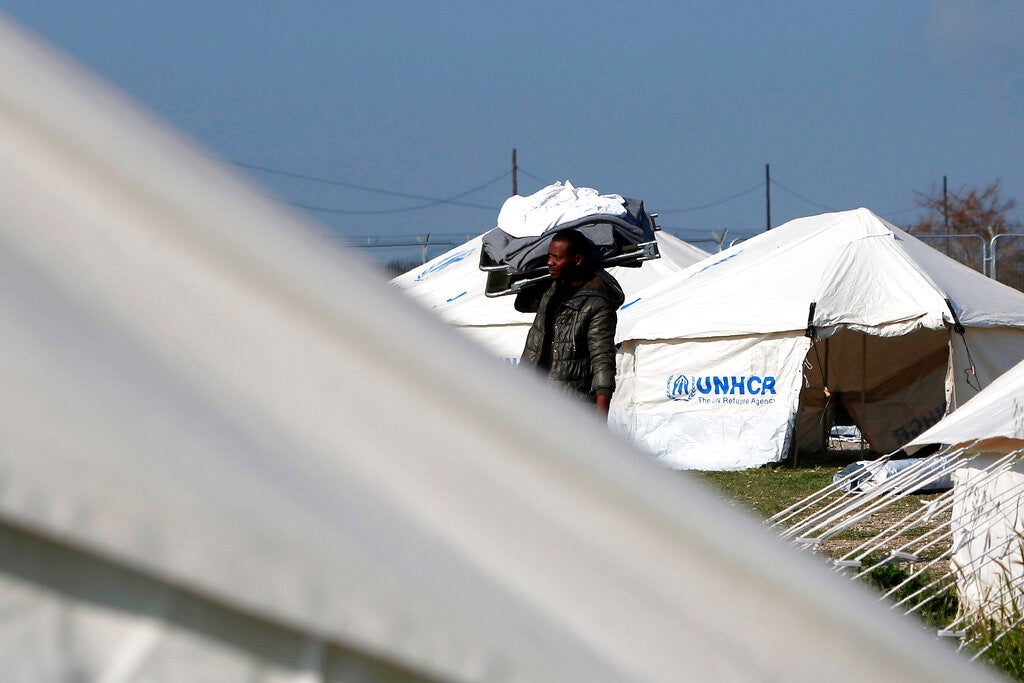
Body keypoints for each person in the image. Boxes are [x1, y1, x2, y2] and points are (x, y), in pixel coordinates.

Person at [516, 229, 624, 416]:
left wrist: (600, 421)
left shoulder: (596, 305)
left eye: (556, 257)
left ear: (577, 260)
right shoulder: (549, 292)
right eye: (548, 256)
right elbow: (521, 303)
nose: (550, 262)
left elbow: (603, 361)